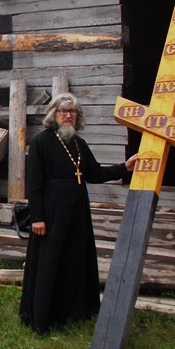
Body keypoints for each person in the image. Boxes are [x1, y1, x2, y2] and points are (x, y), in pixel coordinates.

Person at [19, 94, 138, 334]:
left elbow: (94, 174)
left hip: (77, 215)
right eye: (63, 111)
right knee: (50, 261)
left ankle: (73, 312)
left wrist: (124, 168)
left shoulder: (79, 144)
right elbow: (34, 184)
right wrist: (38, 217)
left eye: (72, 111)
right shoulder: (42, 142)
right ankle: (43, 317)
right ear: (54, 114)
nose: (68, 115)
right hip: (51, 215)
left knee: (74, 260)